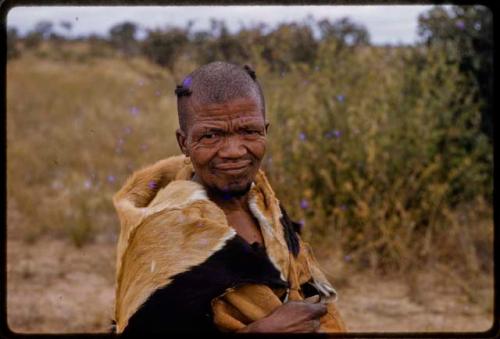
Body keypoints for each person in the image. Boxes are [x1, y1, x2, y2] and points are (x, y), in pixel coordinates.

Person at [112, 61, 346, 334]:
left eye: (249, 131)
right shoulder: (165, 232)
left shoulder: (265, 203)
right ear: (184, 143)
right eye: (211, 135)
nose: (234, 151)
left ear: (265, 131)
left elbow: (310, 296)